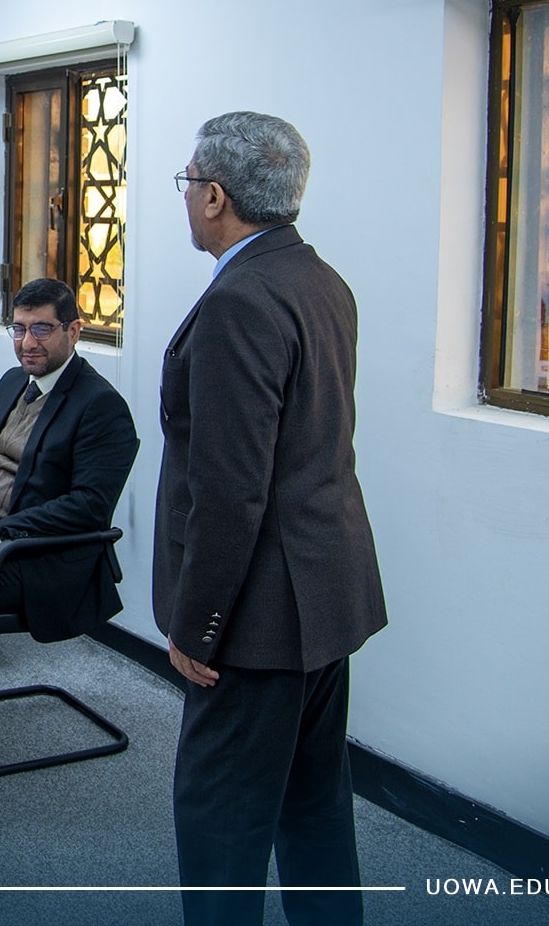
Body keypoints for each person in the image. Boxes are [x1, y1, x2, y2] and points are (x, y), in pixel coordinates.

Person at [154, 111, 387, 926]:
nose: (187, 199)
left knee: (221, 820)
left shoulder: (240, 300)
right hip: (323, 597)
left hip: (255, 616)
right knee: (312, 803)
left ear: (216, 196)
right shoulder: (319, 279)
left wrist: (197, 625)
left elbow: (231, 489)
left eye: (188, 184)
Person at [0, 277, 138, 645]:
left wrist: (1, 533)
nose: (27, 343)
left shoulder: (100, 405)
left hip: (29, 553)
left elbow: (89, 505)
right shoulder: (13, 381)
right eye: (19, 329)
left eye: (42, 329)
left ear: (73, 331)